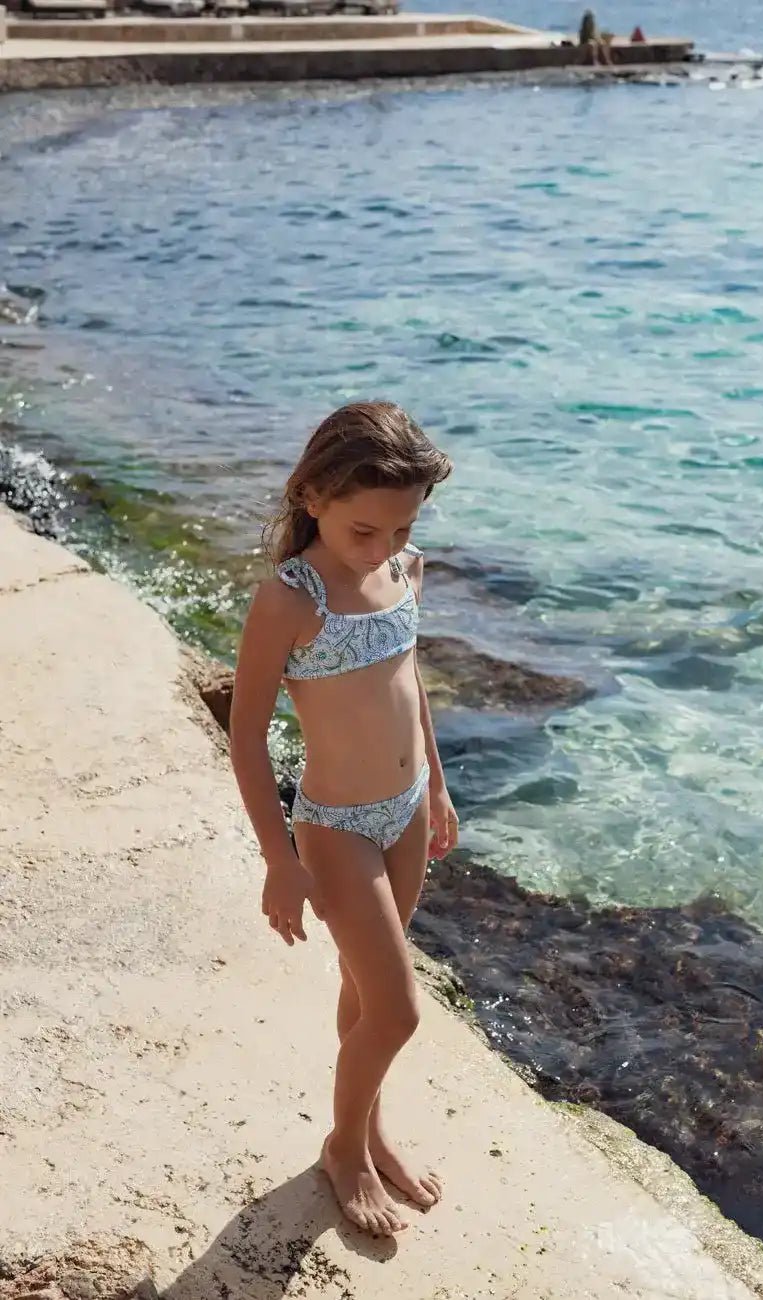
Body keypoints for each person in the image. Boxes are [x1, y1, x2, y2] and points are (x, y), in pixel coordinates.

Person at [230, 401, 458, 1238]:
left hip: (406, 811)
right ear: (313, 496)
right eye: (366, 529)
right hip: (336, 827)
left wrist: (436, 786)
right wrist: (278, 856)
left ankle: (369, 1125)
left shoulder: (404, 569)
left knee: (365, 991)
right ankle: (344, 1148)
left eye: (401, 528)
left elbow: (408, 683)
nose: (383, 546)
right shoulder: (290, 600)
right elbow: (246, 734)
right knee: (398, 1011)